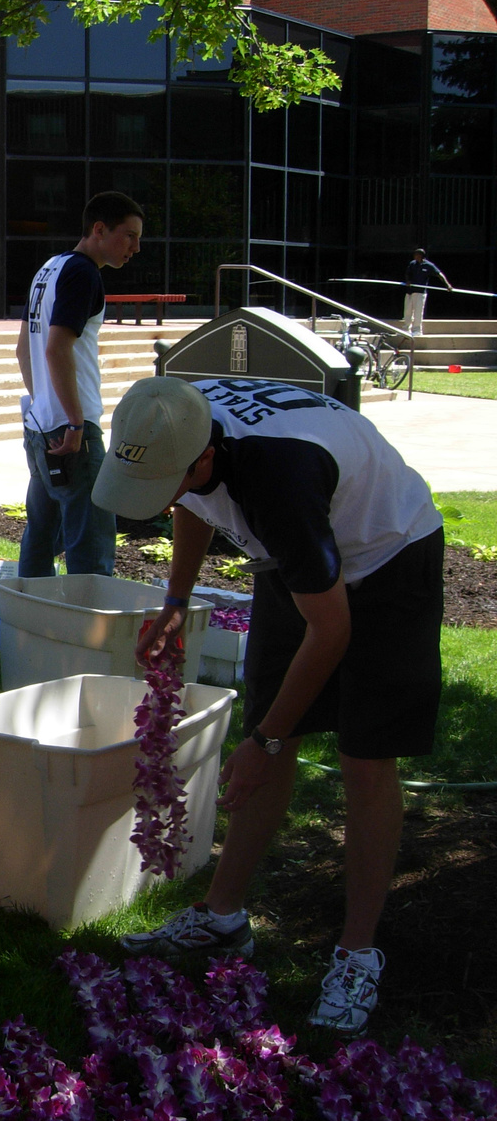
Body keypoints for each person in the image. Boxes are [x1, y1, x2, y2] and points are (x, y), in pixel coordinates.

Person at [92, 374, 443, 1035]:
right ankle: (222, 918)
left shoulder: (277, 480)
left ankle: (357, 954)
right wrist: (175, 602)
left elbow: (333, 630)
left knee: (363, 758)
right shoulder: (170, 415)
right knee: (267, 725)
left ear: (203, 457)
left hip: (390, 556)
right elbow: (192, 503)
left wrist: (270, 742)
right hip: (301, 556)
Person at [14, 190, 143, 578]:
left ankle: (30, 626)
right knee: (91, 542)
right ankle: (90, 632)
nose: (135, 248)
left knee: (40, 535)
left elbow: (23, 349)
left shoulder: (49, 268)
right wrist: (72, 421)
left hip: (39, 425)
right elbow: (55, 349)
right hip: (72, 431)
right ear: (99, 229)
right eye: (129, 236)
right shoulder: (84, 273)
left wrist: (45, 407)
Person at [403, 247, 450, 338]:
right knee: (407, 312)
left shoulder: (428, 265)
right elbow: (407, 274)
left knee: (418, 312)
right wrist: (408, 281)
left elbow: (439, 274)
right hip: (410, 291)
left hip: (420, 292)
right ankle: (406, 329)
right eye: (414, 254)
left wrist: (447, 285)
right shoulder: (412, 264)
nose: (415, 256)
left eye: (417, 254)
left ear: (421, 255)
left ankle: (417, 331)